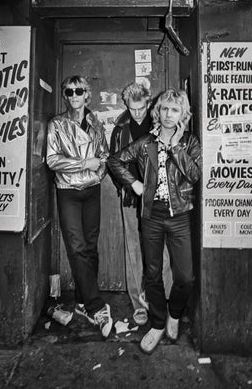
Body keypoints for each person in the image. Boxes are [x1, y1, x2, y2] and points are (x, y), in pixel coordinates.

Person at [108, 89, 201, 354]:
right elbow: (115, 162)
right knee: (152, 273)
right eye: (165, 109)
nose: (169, 115)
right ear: (157, 111)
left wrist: (176, 147)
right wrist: (135, 183)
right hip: (151, 216)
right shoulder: (147, 141)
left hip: (180, 216)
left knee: (186, 277)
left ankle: (174, 313)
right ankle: (158, 323)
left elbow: (194, 175)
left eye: (175, 110)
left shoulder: (190, 142)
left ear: (183, 114)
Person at [46, 75, 113, 339]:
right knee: (76, 247)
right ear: (65, 96)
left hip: (92, 190)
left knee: (90, 246)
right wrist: (84, 165)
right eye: (69, 91)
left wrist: (99, 172)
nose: (74, 95)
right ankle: (97, 307)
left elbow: (104, 155)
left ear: (88, 94)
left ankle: (84, 303)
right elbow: (52, 160)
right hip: (68, 192)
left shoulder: (96, 123)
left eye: (79, 91)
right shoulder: (57, 124)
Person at [110, 82, 172, 327]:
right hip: (131, 197)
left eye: (141, 107)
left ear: (148, 103)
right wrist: (128, 187)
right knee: (133, 250)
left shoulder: (160, 124)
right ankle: (139, 304)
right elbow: (115, 165)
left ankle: (163, 300)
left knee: (163, 250)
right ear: (127, 105)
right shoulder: (120, 128)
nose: (137, 113)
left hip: (159, 198)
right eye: (132, 108)